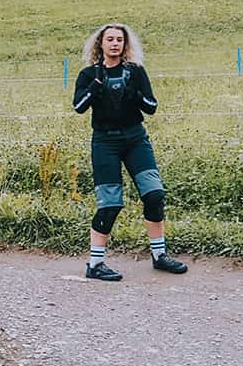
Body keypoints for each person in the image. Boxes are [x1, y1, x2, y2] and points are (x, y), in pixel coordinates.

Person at [72, 23, 186, 281]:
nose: (114, 44)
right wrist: (96, 87)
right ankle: (95, 264)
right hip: (105, 143)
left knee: (154, 195)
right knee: (110, 204)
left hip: (135, 139)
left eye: (119, 40)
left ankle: (159, 256)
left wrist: (134, 93)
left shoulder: (136, 72)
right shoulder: (88, 74)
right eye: (109, 39)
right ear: (100, 44)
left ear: (125, 45)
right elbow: (79, 106)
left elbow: (152, 106)